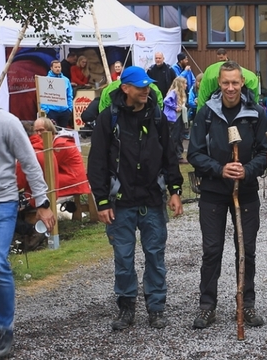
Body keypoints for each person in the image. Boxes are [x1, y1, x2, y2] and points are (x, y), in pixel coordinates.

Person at [87, 66, 184, 331]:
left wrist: (174, 191)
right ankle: (126, 307)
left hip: (152, 199)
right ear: (125, 88)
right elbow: (96, 164)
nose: (146, 90)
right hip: (120, 202)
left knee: (155, 255)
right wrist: (102, 202)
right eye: (140, 86)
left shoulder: (157, 116)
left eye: (148, 85)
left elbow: (169, 157)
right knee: (123, 257)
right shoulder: (108, 119)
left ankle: (156, 308)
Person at [187, 61, 267, 330]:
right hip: (212, 192)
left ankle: (246, 303)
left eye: (235, 82)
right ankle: (206, 306)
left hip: (245, 193)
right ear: (219, 84)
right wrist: (220, 169)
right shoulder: (206, 114)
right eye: (226, 83)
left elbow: (264, 153)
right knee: (212, 251)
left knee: (246, 251)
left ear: (242, 83)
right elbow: (194, 154)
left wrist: (246, 171)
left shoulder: (257, 114)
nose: (231, 88)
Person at [0, 102, 56, 358]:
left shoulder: (6, 122)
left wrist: (43, 203)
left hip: (1, 203)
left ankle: (5, 328)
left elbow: (29, 162)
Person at [31, 117, 90, 197]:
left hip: (75, 181)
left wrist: (32, 145)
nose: (38, 134)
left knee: (40, 180)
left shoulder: (60, 144)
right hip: (72, 177)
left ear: (50, 130)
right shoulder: (56, 141)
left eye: (41, 130)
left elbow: (47, 165)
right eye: (36, 131)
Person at [40, 60, 74, 129]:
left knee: (63, 132)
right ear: (51, 68)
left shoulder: (66, 80)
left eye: (59, 67)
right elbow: (42, 96)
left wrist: (70, 108)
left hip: (64, 111)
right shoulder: (46, 80)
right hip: (51, 111)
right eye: (55, 67)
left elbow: (69, 95)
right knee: (53, 131)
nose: (58, 69)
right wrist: (46, 109)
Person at [164, 76, 188, 164]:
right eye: (185, 83)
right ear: (180, 84)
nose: (186, 85)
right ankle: (174, 156)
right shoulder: (173, 92)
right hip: (173, 118)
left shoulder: (179, 94)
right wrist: (175, 107)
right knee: (174, 137)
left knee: (179, 136)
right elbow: (166, 100)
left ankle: (178, 155)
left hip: (178, 118)